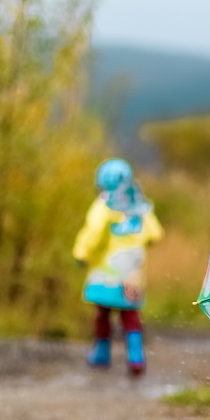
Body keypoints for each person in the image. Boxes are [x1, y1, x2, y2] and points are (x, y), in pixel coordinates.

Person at [73, 158, 164, 375]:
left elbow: (93, 233)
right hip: (132, 271)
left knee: (102, 313)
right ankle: (135, 356)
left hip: (106, 270)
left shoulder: (104, 205)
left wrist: (81, 253)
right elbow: (154, 233)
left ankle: (102, 353)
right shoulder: (139, 204)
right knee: (130, 314)